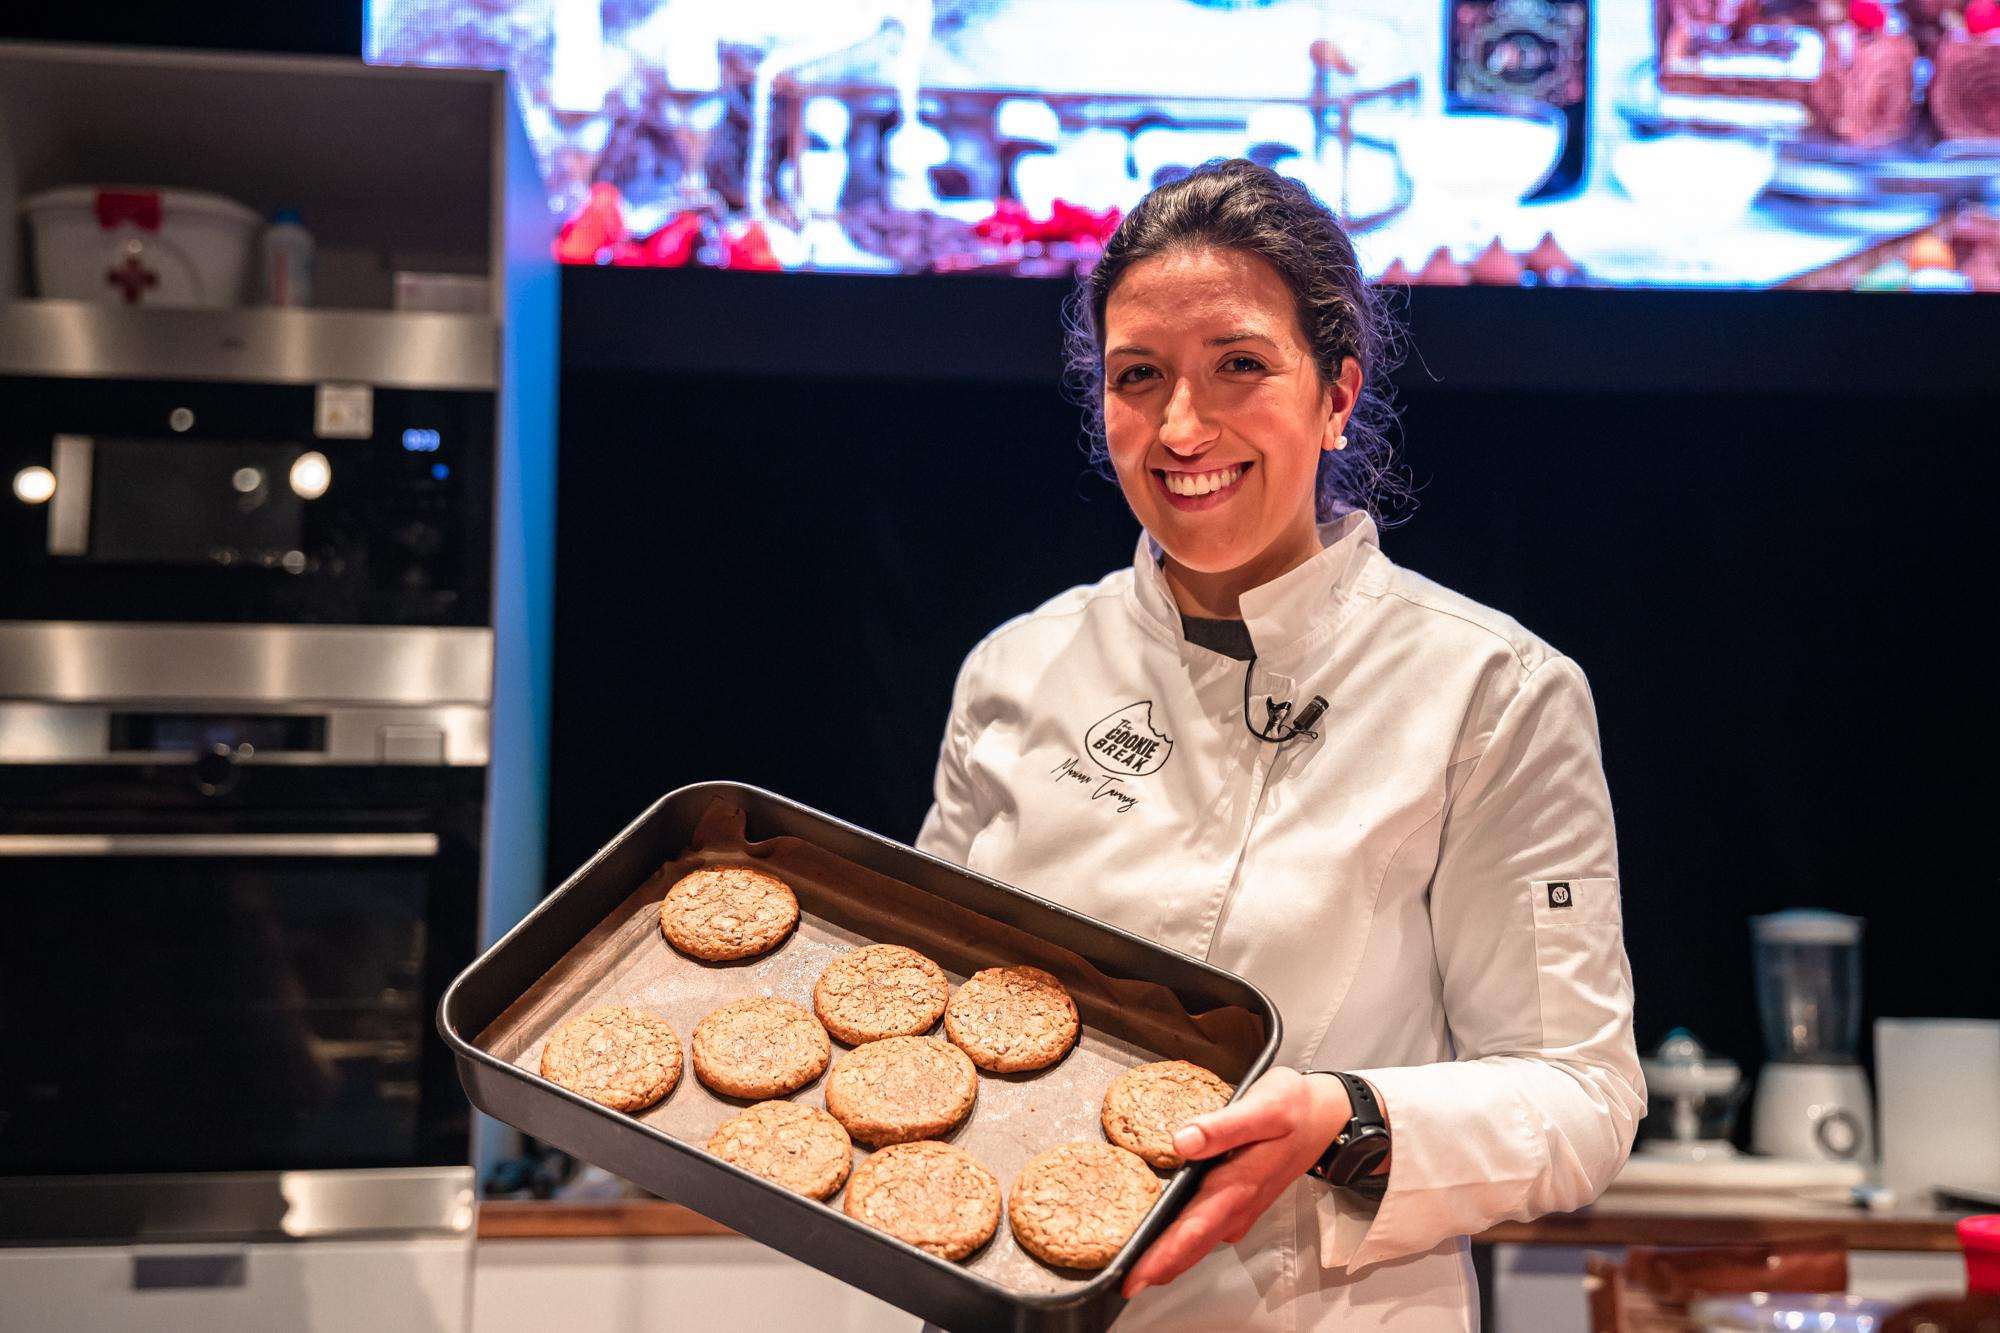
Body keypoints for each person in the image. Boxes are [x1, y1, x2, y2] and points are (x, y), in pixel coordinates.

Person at [914, 159, 1643, 1330]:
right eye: (1138, 376)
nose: (1181, 426)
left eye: (1238, 366)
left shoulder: (1489, 691)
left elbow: (1579, 1094)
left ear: (1336, 394)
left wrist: (1342, 1122)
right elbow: (931, 1007)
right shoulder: (1014, 668)